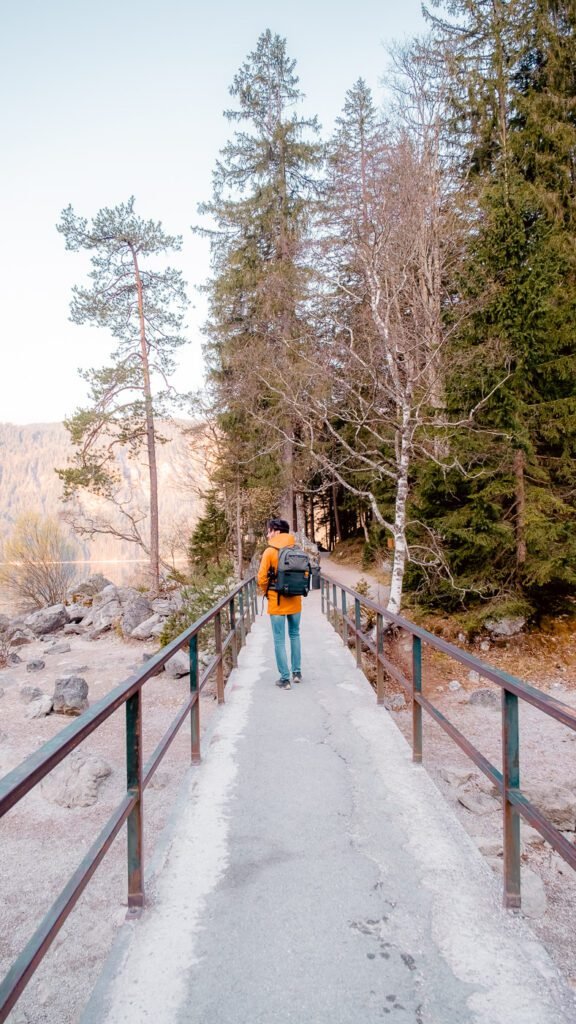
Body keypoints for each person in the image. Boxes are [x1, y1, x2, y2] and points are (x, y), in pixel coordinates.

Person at [257, 518, 303, 690]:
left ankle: (285, 679)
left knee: (279, 640)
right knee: (295, 635)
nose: (267, 535)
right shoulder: (296, 548)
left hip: (276, 601)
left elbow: (261, 578)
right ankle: (297, 673)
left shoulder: (269, 551)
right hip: (296, 600)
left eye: (269, 531)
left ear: (276, 531)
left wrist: (267, 591)